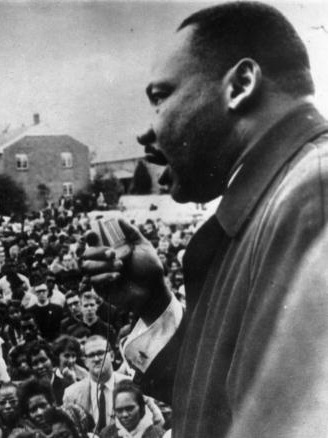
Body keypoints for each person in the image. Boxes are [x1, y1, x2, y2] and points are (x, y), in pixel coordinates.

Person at [82, 2, 328, 437]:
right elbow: (227, 400)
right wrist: (153, 300)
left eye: (160, 98)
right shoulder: (282, 198)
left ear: (240, 85)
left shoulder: (314, 196)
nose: (146, 132)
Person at [62, 336, 130, 433]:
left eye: (101, 353)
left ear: (112, 356)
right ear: (85, 361)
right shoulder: (71, 394)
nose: (96, 359)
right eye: (91, 355)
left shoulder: (131, 385)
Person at [99, 381, 164, 438]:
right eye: (119, 410)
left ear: (141, 407)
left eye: (129, 409)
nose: (124, 415)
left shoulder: (158, 435)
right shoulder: (106, 434)